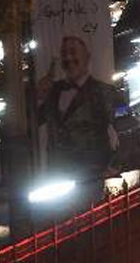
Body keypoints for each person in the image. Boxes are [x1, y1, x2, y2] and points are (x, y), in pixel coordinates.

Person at [37, 34, 120, 178]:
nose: (68, 58)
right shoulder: (53, 91)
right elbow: (32, 123)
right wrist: (37, 97)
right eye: (64, 54)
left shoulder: (105, 92)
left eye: (73, 52)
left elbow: (129, 129)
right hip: (57, 178)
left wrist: (114, 166)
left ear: (87, 57)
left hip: (93, 177)